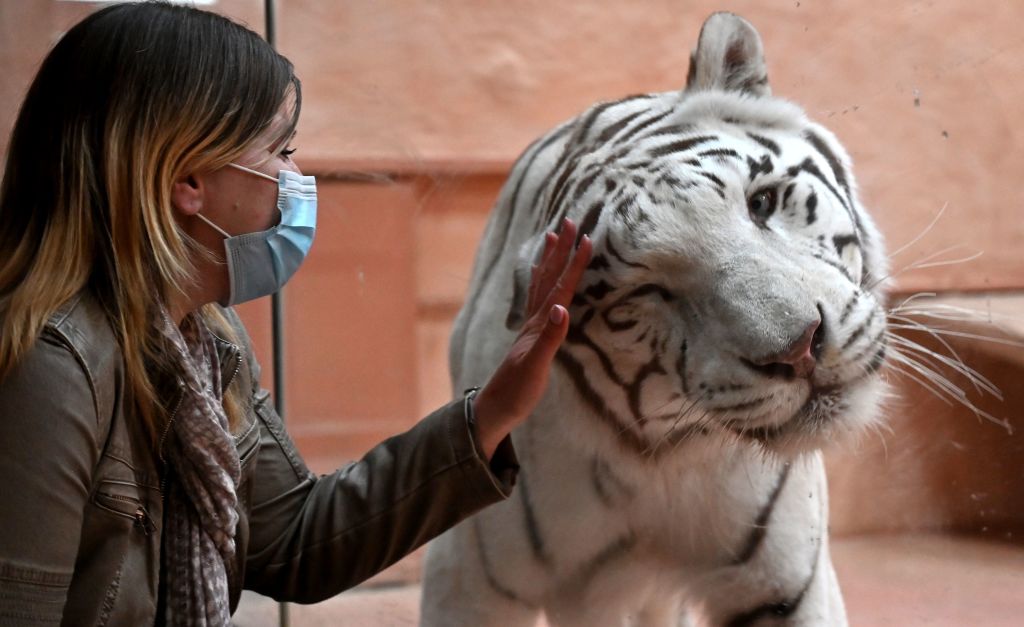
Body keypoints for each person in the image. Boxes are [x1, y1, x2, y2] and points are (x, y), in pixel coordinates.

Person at [0, 3, 592, 625]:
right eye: (282, 151)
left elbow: (296, 539)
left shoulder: (208, 344)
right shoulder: (51, 368)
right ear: (188, 178)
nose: (296, 178)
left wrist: (493, 410)